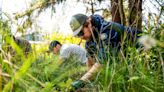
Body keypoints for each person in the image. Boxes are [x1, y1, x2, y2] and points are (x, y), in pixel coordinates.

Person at [69, 14, 142, 89]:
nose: (81, 37)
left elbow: (102, 62)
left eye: (81, 33)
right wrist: (90, 82)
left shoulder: (107, 30)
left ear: (88, 23)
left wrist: (81, 81)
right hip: (128, 57)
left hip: (142, 45)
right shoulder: (89, 42)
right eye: (77, 35)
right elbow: (90, 63)